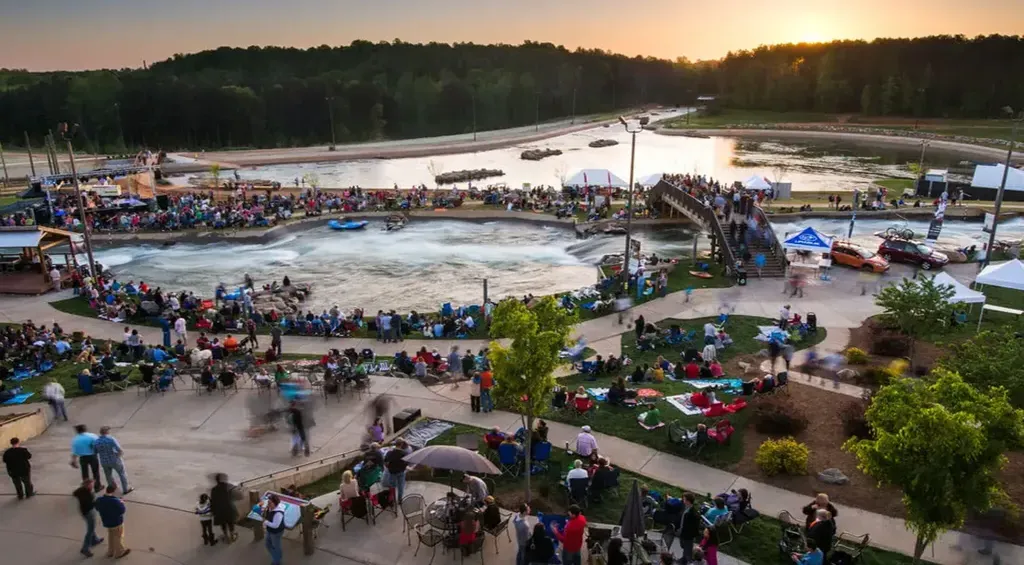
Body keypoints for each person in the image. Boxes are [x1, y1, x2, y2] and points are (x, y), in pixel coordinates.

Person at [94, 484, 130, 559]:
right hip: (116, 522)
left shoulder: (99, 499)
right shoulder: (115, 501)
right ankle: (120, 552)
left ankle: (110, 551)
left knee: (111, 536)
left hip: (107, 522)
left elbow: (97, 508)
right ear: (113, 492)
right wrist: (122, 503)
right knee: (118, 537)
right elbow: (122, 511)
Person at [95, 426, 132, 495]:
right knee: (122, 474)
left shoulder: (97, 441)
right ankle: (125, 489)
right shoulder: (111, 439)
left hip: (104, 461)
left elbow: (95, 451)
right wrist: (118, 456)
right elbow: (119, 450)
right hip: (114, 460)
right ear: (107, 432)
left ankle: (112, 489)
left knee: (108, 476)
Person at [74, 479, 104, 557]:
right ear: (88, 486)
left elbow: (74, 493)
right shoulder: (88, 494)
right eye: (92, 484)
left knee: (91, 526)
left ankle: (94, 540)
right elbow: (91, 504)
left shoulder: (80, 491)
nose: (93, 486)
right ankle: (85, 548)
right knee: (90, 530)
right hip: (89, 513)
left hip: (83, 512)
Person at [71, 424, 103, 491]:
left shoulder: (75, 439)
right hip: (92, 456)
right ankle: (97, 486)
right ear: (85, 429)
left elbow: (74, 452)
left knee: (85, 473)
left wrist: (73, 461)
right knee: (95, 472)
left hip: (82, 457)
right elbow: (99, 445)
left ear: (77, 431)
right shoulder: (92, 436)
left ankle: (86, 488)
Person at [210, 473, 239, 542]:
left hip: (219, 511)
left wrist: (213, 511)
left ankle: (226, 537)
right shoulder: (230, 487)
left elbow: (213, 502)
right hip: (229, 509)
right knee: (230, 522)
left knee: (223, 523)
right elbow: (239, 496)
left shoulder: (214, 490)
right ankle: (232, 536)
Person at [263, 493, 286, 565]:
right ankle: (277, 556)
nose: (268, 504)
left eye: (270, 503)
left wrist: (266, 522)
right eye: (268, 502)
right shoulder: (271, 508)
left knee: (276, 546)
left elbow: (276, 525)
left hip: (276, 532)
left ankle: (277, 562)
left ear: (275, 503)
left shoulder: (278, 513)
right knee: (268, 544)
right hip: (270, 530)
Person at [679, 492, 700, 562]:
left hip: (688, 535)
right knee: (684, 547)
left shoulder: (693, 514)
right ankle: (684, 558)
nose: (682, 500)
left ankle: (686, 560)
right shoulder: (685, 508)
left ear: (688, 501)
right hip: (683, 532)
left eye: (684, 499)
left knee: (687, 550)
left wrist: (690, 535)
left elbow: (694, 527)